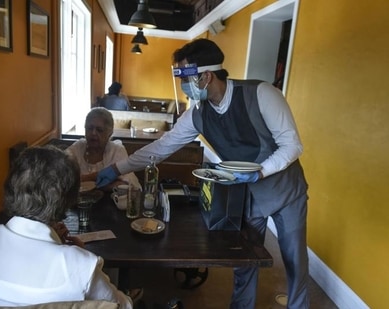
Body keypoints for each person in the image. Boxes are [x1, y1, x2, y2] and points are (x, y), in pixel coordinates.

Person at [96, 38, 309, 309]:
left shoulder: (262, 94)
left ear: (206, 76)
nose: (184, 86)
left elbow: (293, 145)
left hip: (284, 189)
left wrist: (261, 172)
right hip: (248, 195)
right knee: (244, 260)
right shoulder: (198, 113)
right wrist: (117, 167)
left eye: (186, 78)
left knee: (294, 260)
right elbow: (162, 148)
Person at [0, 145, 134, 308]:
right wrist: (73, 256)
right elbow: (122, 306)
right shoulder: (79, 267)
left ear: (11, 186)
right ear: (68, 201)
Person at [66, 107, 141, 191]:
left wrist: (87, 183)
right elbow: (60, 175)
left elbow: (129, 186)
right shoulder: (78, 147)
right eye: (90, 128)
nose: (93, 133)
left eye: (99, 130)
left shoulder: (116, 150)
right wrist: (93, 177)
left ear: (110, 133)